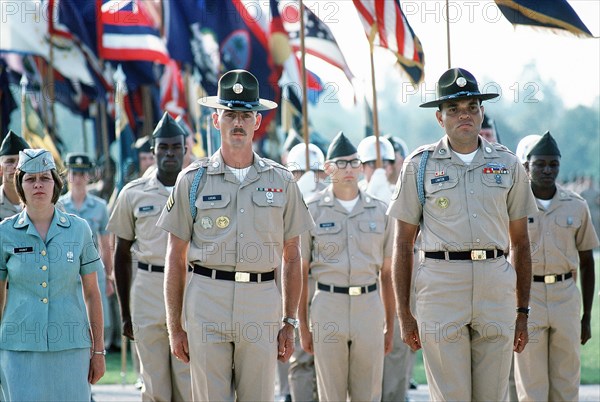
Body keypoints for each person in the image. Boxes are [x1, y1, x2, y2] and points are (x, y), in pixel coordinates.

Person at [157, 69, 314, 401]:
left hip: (260, 303)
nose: (238, 122)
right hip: (206, 302)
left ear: (257, 121)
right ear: (217, 120)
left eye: (245, 114)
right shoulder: (192, 179)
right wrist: (175, 325)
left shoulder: (282, 181)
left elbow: (292, 255)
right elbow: (175, 256)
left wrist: (289, 320)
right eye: (230, 114)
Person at [387, 67, 537, 401]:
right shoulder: (419, 165)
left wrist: (523, 312)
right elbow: (402, 243)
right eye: (453, 109)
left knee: (492, 395)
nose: (463, 115)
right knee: (451, 395)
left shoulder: (508, 164)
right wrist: (404, 315)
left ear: (482, 112)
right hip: (441, 287)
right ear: (440, 118)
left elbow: (521, 243)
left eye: (471, 106)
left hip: (495, 289)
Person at [0, 149, 105, 401]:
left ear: (56, 184)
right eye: (30, 178)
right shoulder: (4, 233)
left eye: (45, 178)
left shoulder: (79, 229)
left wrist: (99, 351)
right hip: (18, 349)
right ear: (20, 184)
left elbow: (92, 293)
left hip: (71, 348)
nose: (38, 184)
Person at [299, 131, 395, 401]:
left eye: (354, 162)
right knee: (331, 392)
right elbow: (300, 270)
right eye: (341, 163)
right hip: (328, 305)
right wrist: (303, 326)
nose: (349, 169)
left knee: (369, 393)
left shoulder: (380, 210)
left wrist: (390, 323)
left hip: (369, 306)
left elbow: (387, 274)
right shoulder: (312, 210)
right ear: (328, 168)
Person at [108, 112, 192, 401]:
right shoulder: (133, 194)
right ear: (153, 150)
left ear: (185, 149)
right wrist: (125, 313)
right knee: (154, 385)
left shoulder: (198, 189)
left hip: (188, 287)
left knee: (189, 382)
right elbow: (120, 254)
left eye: (175, 147)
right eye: (163, 147)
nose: (169, 153)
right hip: (147, 289)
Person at [514, 132, 598, 401]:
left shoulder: (577, 205)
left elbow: (587, 262)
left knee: (566, 383)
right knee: (531, 385)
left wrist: (586, 317)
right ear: (527, 166)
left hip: (565, 296)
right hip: (528, 298)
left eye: (553, 164)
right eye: (540, 164)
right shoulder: (512, 207)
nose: (547, 170)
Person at [59, 153, 114, 350]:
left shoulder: (100, 207)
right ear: (68, 176)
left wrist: (109, 276)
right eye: (74, 173)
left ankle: (99, 352)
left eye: (82, 173)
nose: (78, 178)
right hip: (67, 271)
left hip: (93, 270)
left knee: (98, 320)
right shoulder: (58, 205)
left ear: (88, 176)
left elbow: (106, 243)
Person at [0, 131, 30, 221]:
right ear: (0, 169)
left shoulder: (49, 205)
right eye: (10, 161)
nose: (17, 166)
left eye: (22, 161)